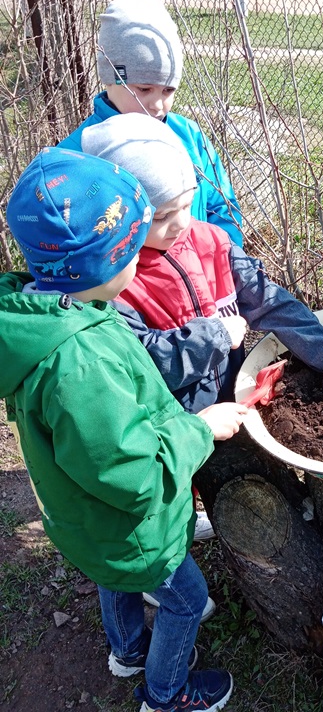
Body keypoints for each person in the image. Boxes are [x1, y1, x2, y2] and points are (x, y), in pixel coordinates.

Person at [2, 146, 248, 712]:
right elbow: (135, 476)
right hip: (132, 527)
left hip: (90, 522)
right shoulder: (79, 365)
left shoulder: (56, 311)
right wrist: (200, 429)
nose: (141, 254)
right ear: (102, 262)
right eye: (132, 246)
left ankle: (128, 650)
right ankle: (165, 693)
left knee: (112, 575)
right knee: (186, 601)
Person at [80, 113, 323, 412]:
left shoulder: (213, 243)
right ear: (122, 217)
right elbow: (144, 367)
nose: (180, 224)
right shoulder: (114, 284)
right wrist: (216, 337)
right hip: (182, 424)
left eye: (187, 205)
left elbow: (270, 302)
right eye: (162, 216)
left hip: (232, 401)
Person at [58, 0, 242, 248]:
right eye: (144, 89)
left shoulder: (189, 135)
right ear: (110, 79)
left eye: (168, 90)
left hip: (201, 267)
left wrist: (226, 258)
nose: (157, 104)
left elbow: (221, 207)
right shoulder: (76, 155)